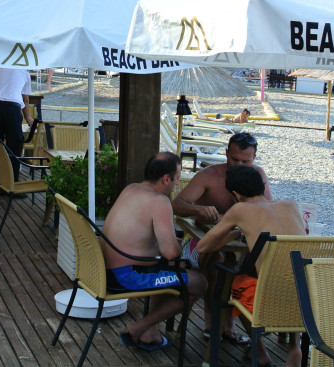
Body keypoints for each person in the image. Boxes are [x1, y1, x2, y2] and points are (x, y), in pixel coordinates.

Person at [196, 165, 306, 367]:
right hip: (307, 299)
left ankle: (260, 351)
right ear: (262, 187)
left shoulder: (240, 209)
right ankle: (294, 346)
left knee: (237, 284)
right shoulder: (290, 205)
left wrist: (235, 232)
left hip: (270, 302)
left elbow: (203, 247)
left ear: (236, 194)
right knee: (292, 277)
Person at [172, 131, 272, 343]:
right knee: (218, 262)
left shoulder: (258, 176)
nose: (239, 165)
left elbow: (269, 210)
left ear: (254, 158)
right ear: (226, 153)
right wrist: (199, 210)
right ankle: (214, 322)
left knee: (256, 266)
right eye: (234, 159)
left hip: (239, 244)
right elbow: (176, 205)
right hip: (197, 241)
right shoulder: (209, 175)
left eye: (245, 161)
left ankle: (250, 328)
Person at [102, 152, 207, 351]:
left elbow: (139, 235)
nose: (177, 183)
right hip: (125, 277)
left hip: (106, 270)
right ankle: (139, 327)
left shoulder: (131, 189)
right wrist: (183, 246)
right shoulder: (160, 201)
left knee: (169, 267)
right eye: (177, 178)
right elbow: (171, 252)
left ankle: (150, 332)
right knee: (199, 283)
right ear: (166, 179)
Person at [0, 67, 35, 186]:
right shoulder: (24, 72)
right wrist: (28, 117)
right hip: (13, 109)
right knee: (14, 147)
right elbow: (25, 99)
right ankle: (12, 184)